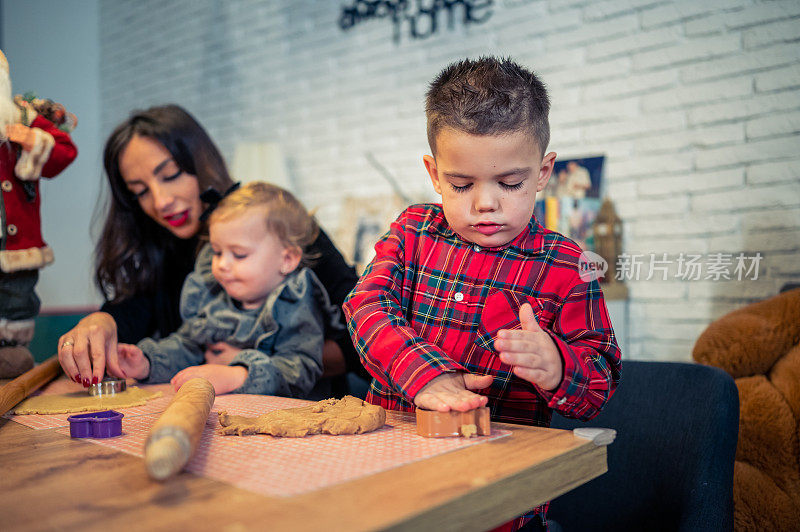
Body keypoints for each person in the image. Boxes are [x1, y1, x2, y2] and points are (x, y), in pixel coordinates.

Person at [343, 57, 621, 531]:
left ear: (542, 173)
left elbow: (599, 377)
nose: (485, 203)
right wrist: (426, 377)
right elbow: (365, 306)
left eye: (509, 183)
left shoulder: (566, 266)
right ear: (434, 173)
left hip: (500, 500)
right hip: (386, 476)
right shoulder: (414, 231)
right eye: (461, 183)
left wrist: (556, 365)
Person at [57, 105, 364, 394]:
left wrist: (246, 363)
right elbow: (146, 318)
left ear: (202, 161)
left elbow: (360, 339)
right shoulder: (162, 247)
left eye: (171, 175)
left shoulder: (275, 226)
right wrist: (101, 325)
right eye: (140, 191)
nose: (161, 200)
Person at [114, 182, 338, 396]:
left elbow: (300, 367)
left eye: (239, 254)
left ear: (287, 259)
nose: (221, 265)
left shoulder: (295, 302)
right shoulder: (214, 297)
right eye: (217, 252)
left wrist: (237, 374)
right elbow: (188, 345)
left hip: (289, 422)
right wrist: (147, 362)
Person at [0, 49, 78, 378]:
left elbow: (64, 150)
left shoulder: (22, 116)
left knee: (17, 295)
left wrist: (33, 139)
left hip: (16, 237)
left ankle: (9, 350)